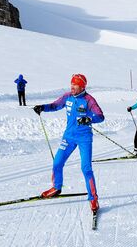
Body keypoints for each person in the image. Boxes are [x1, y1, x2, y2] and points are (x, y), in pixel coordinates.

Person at [33, 73, 104, 213]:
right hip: (69, 136)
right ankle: (56, 187)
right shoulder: (67, 97)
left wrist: (89, 119)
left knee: (86, 168)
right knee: (57, 162)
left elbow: (100, 116)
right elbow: (55, 106)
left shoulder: (89, 100)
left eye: (75, 85)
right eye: (71, 84)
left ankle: (93, 198)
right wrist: (42, 107)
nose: (72, 87)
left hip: (84, 138)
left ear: (82, 86)